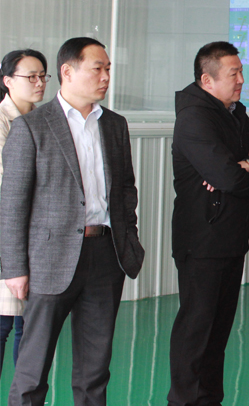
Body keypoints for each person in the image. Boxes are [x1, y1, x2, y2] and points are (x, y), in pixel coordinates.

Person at [1, 37, 145, 405]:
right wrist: (14, 268)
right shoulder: (32, 126)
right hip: (50, 259)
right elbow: (12, 203)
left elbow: (125, 189)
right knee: (33, 368)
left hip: (106, 254)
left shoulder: (114, 125)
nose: (106, 76)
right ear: (67, 71)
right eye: (97, 68)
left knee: (94, 370)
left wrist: (129, 239)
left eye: (108, 69)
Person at [168, 41, 249, 406]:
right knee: (196, 329)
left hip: (231, 239)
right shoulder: (194, 118)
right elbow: (229, 177)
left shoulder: (234, 114)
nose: (241, 80)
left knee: (217, 332)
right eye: (234, 74)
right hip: (202, 240)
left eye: (241, 72)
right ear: (207, 80)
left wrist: (248, 165)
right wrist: (246, 173)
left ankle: (209, 400)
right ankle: (183, 400)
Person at [0, 49, 49, 377]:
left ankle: (27, 396)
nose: (39, 82)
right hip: (9, 231)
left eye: (43, 76)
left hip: (39, 236)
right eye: (30, 76)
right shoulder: (2, 121)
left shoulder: (44, 120)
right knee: (4, 321)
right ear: (8, 81)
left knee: (29, 325)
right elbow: (11, 181)